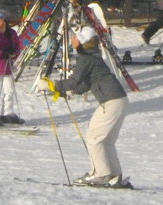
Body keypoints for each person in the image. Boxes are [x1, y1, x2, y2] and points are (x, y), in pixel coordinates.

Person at [50, 24, 131, 188]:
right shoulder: (93, 57)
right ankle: (114, 174)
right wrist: (68, 92)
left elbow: (74, 81)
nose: (72, 39)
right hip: (119, 100)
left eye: (74, 37)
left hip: (111, 101)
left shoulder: (86, 58)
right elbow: (85, 85)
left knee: (94, 139)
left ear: (81, 42)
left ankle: (100, 174)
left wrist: (53, 85)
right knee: (105, 141)